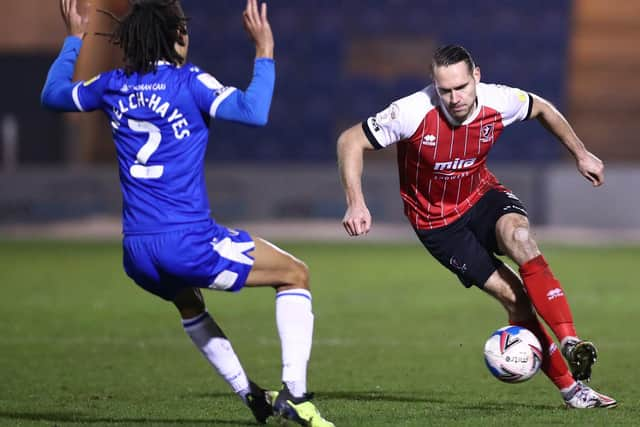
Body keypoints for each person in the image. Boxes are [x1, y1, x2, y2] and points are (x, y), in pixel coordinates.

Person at [41, 0, 334, 425]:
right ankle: (296, 395)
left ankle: (251, 395)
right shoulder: (189, 82)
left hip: (137, 253)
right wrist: (264, 49)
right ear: (178, 35)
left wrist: (73, 40)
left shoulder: (113, 84)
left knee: (189, 304)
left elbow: (51, 96)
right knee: (295, 274)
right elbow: (255, 112)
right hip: (188, 241)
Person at [337, 44, 617, 409]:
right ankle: (572, 391)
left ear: (476, 78)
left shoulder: (498, 100)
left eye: (461, 87)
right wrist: (355, 201)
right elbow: (350, 140)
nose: (454, 98)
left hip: (482, 195)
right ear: (434, 86)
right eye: (445, 90)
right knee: (515, 298)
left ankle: (569, 341)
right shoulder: (410, 112)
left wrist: (580, 153)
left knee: (520, 238)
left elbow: (543, 108)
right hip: (438, 225)